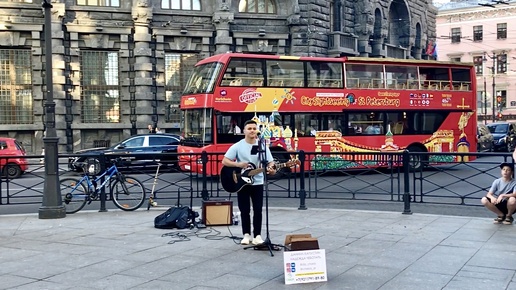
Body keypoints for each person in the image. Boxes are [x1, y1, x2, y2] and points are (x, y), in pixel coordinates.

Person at [222, 120, 276, 245]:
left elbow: (270, 162)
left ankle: (257, 235)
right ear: (244, 131)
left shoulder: (262, 145)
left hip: (257, 182)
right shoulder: (238, 145)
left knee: (258, 209)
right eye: (249, 128)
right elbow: (225, 161)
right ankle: (246, 234)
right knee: (244, 209)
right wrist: (238, 164)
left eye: (254, 128)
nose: (252, 130)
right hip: (242, 182)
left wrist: (271, 168)